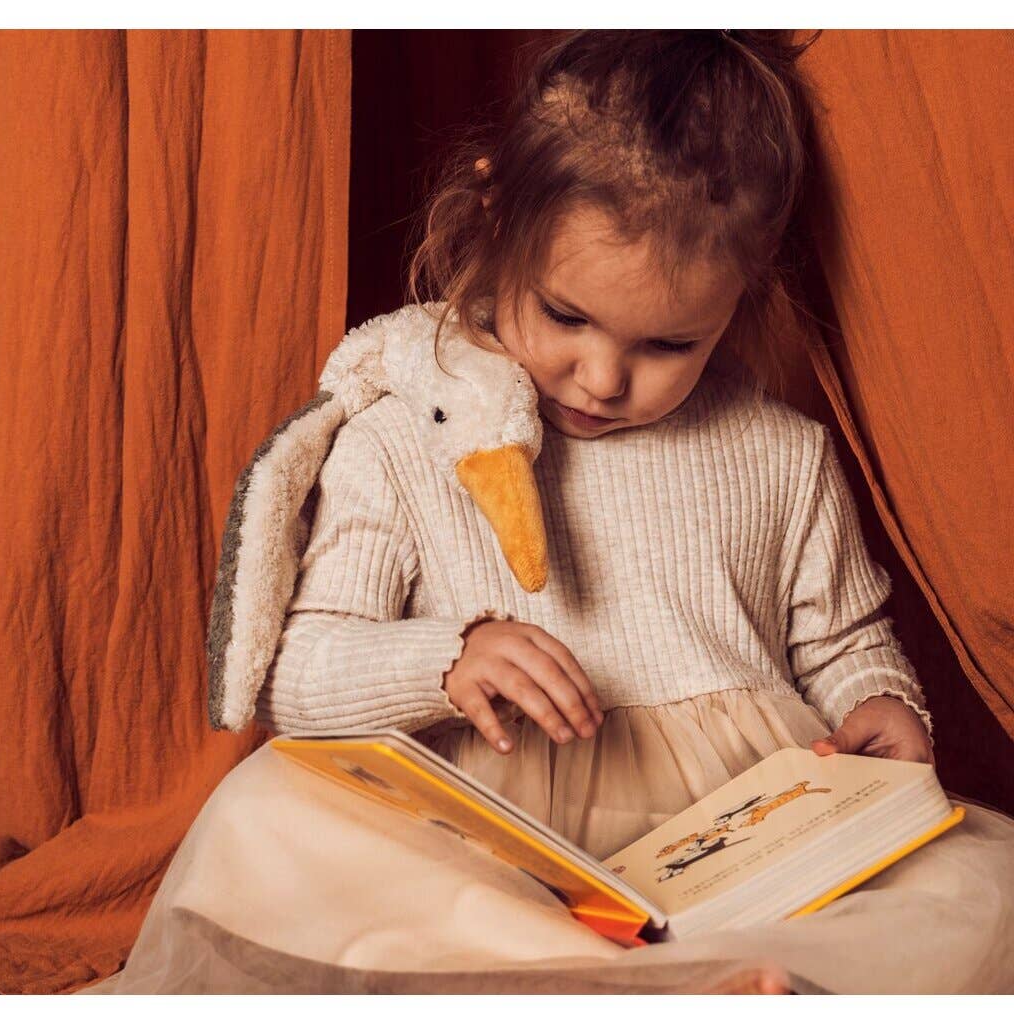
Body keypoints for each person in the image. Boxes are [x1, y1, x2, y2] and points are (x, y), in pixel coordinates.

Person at [88, 30, 1014, 995]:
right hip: (495, 852)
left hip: (734, 843)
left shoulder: (782, 455)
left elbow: (842, 641)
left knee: (963, 891)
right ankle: (622, 983)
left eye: (669, 342)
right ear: (494, 221)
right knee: (271, 817)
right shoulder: (406, 436)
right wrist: (445, 659)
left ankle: (691, 974)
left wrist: (880, 703)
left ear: (744, 297)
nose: (604, 377)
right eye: (566, 316)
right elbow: (299, 682)